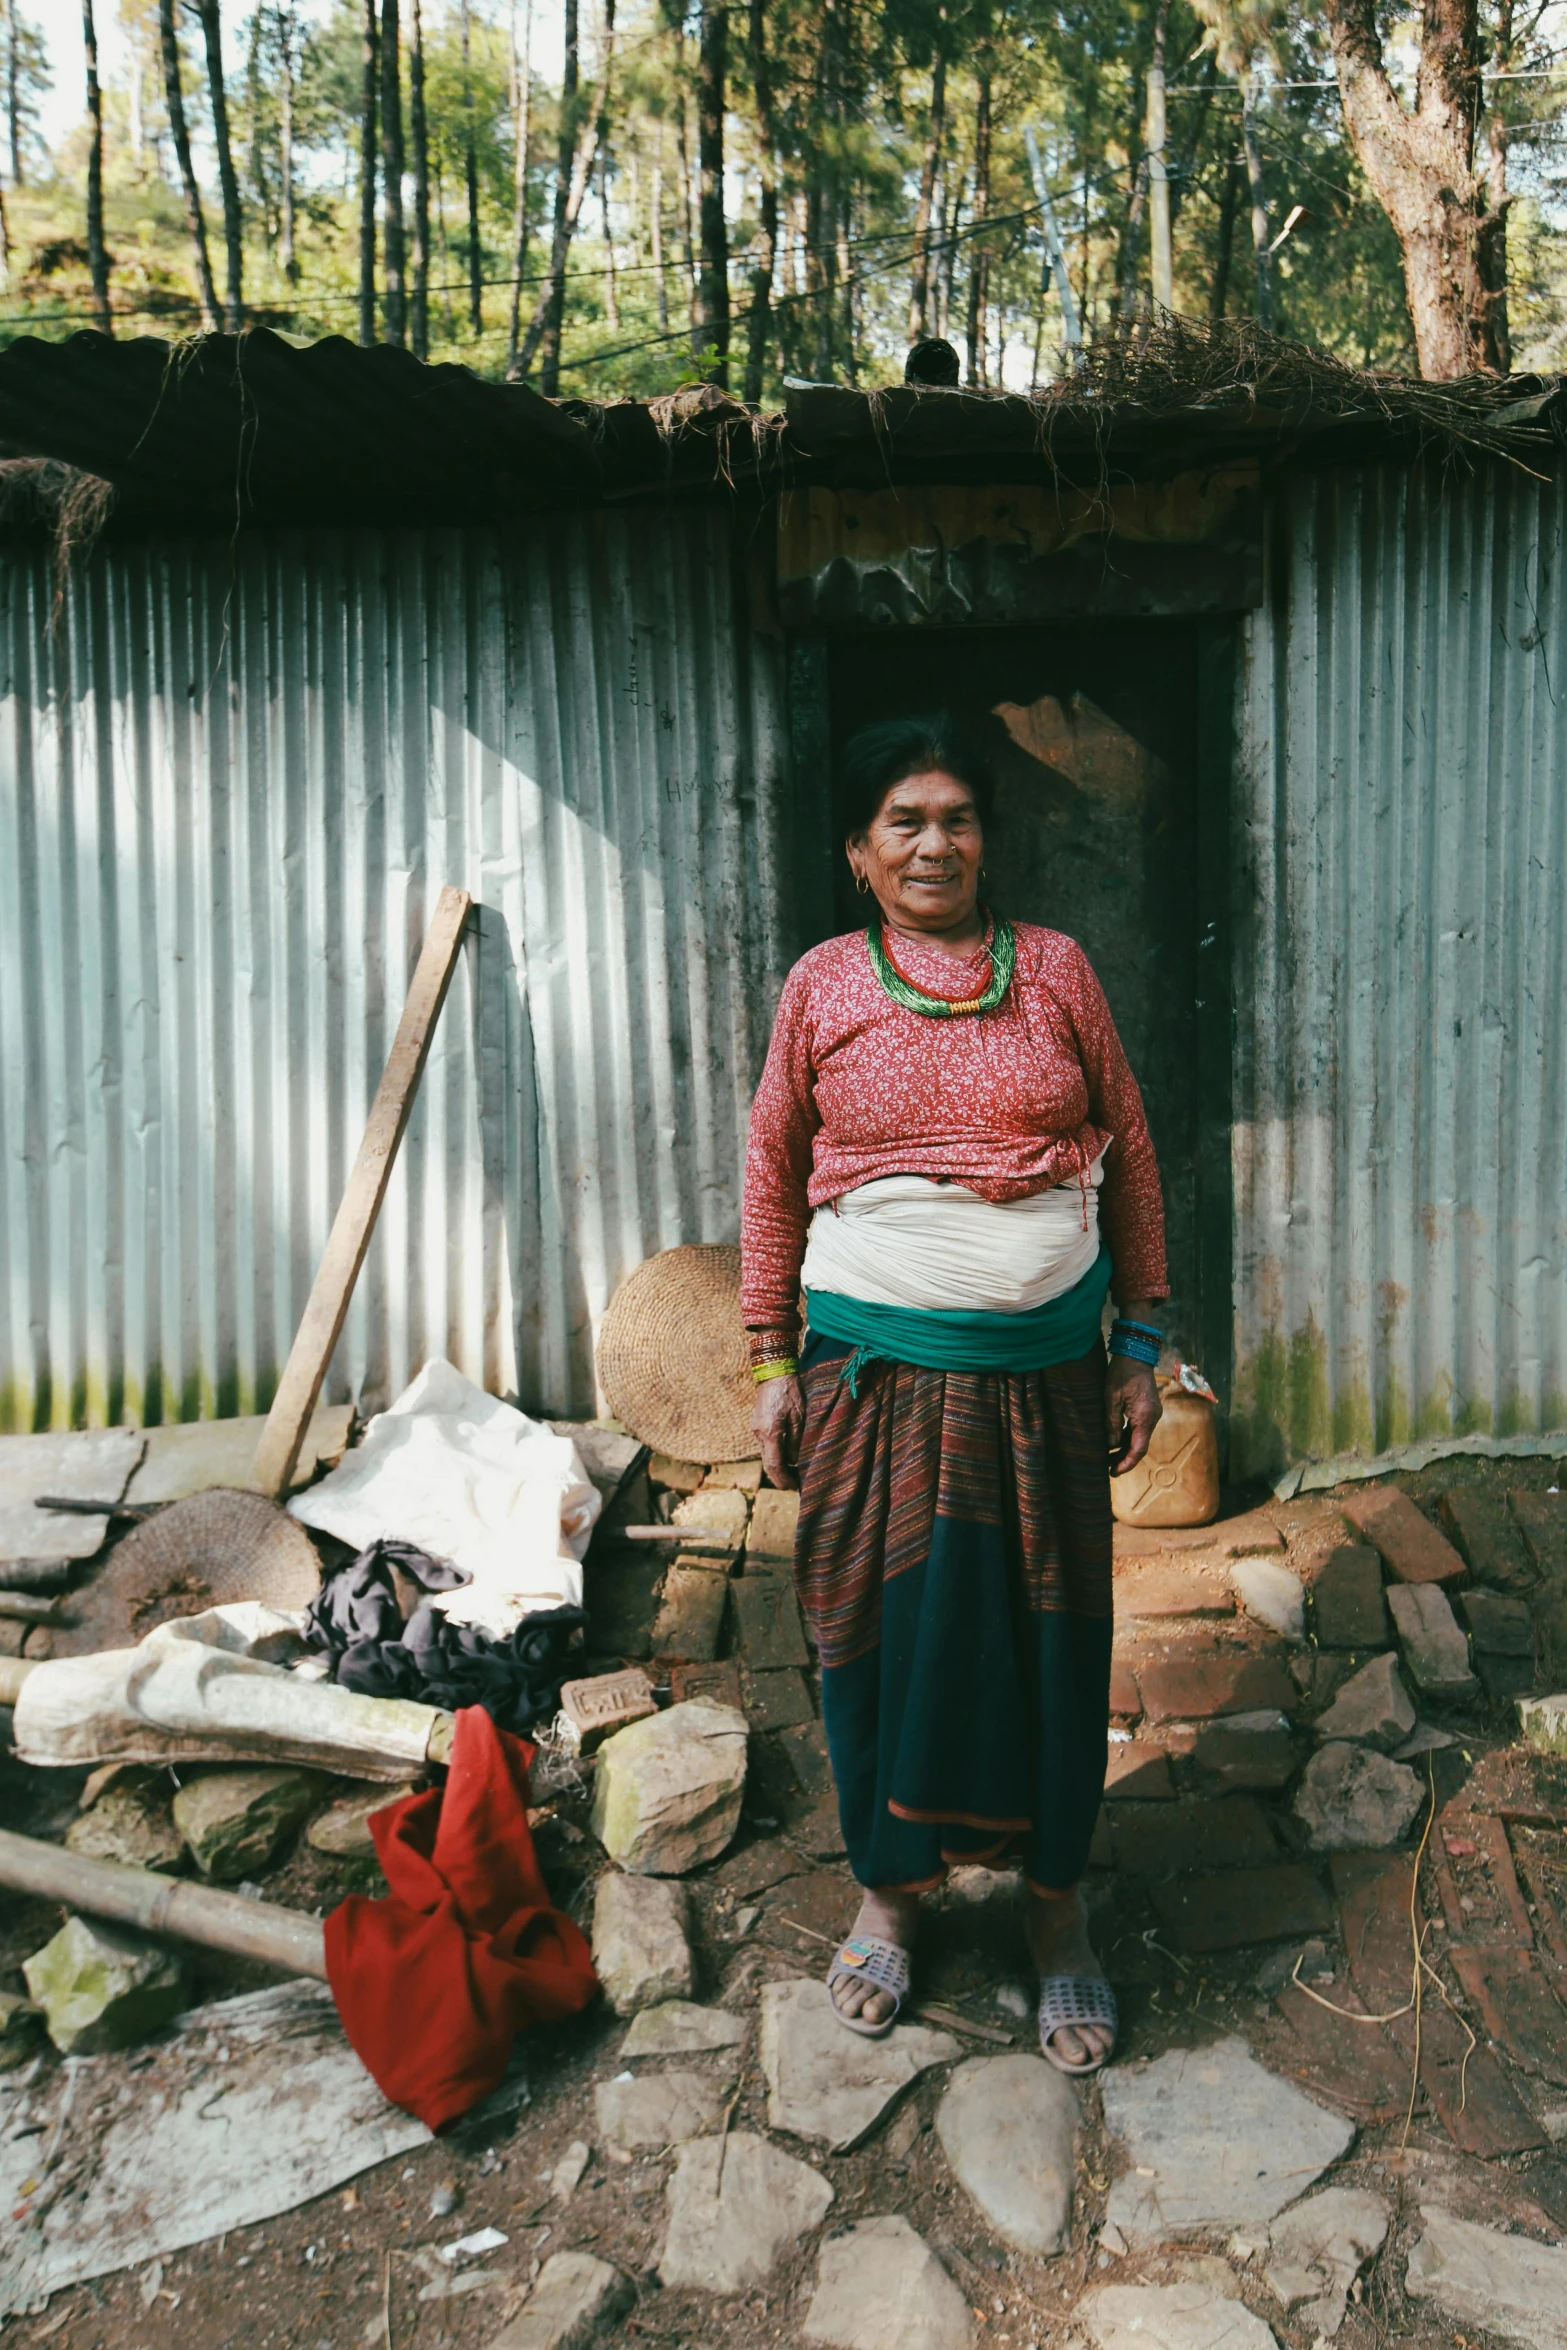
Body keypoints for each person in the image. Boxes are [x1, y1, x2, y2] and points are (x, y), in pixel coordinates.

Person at [740, 713, 1167, 2075]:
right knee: (877, 1628)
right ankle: (889, 1890)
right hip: (871, 1379)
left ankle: (1053, 1912)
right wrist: (765, 1358)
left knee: (1046, 1642)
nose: (935, 842)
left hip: (1041, 1382)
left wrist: (1140, 1338)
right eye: (903, 821)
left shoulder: (1053, 969)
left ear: (989, 837)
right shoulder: (821, 982)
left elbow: (1133, 1148)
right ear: (858, 852)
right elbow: (769, 1165)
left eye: (958, 817)